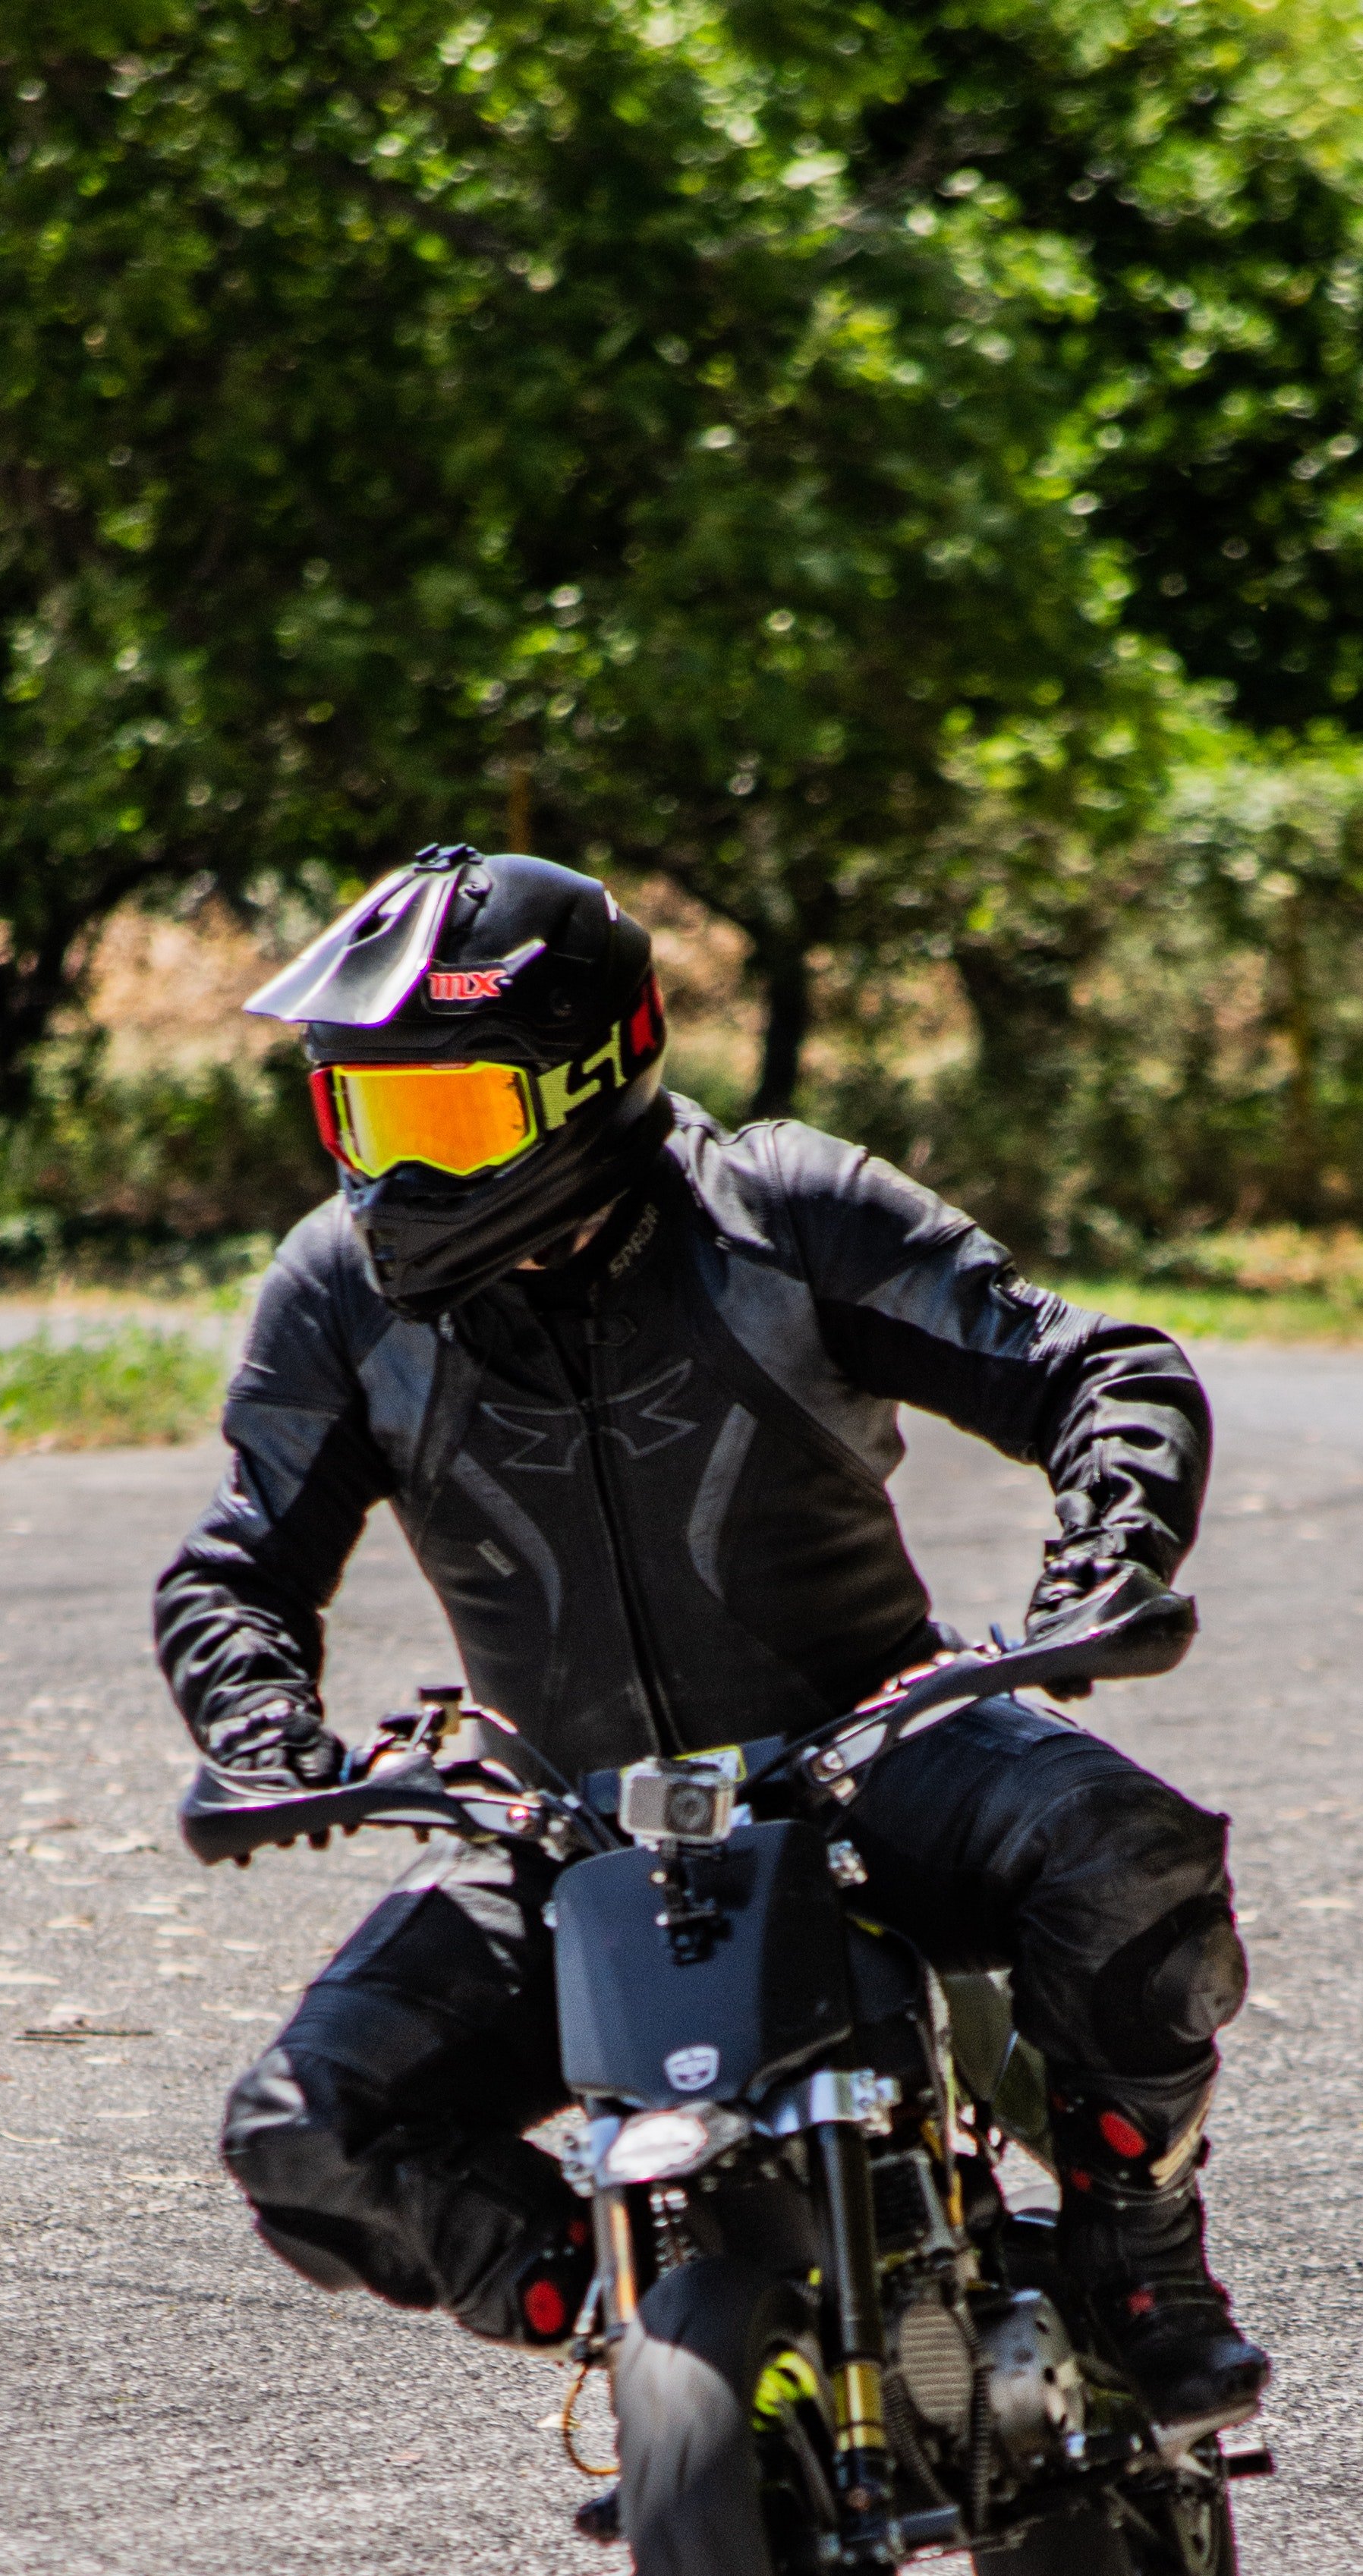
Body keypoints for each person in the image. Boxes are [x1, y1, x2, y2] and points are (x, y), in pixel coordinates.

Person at [153, 841, 1270, 2438]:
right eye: (363, 1116)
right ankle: (616, 2307)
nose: (394, 1175)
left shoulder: (781, 1210)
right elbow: (235, 1565)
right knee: (301, 2127)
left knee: (1124, 1849)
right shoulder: (338, 1295)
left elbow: (1103, 1372)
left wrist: (1105, 1558)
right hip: (560, 1818)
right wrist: (258, 1729)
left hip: (876, 1744)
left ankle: (1137, 2241)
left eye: (446, 1115)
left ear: (596, 1067)